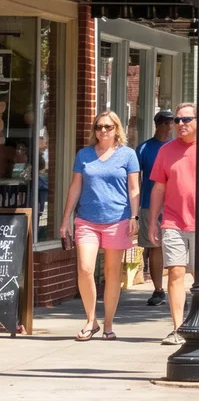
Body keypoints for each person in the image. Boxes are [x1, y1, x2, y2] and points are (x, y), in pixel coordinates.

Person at [148, 103, 199, 346]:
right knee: (175, 272)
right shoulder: (166, 151)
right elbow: (159, 187)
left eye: (186, 119)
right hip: (173, 221)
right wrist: (153, 221)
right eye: (177, 120)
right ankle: (178, 328)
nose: (180, 124)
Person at [60, 111, 141, 340]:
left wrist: (134, 217)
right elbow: (75, 187)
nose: (102, 131)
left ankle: (108, 323)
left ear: (116, 129)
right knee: (85, 268)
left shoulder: (128, 155)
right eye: (98, 127)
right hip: (86, 219)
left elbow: (134, 189)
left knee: (112, 272)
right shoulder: (84, 155)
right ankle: (90, 320)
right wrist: (66, 219)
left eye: (107, 126)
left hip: (118, 220)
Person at [135, 110, 175, 306]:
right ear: (158, 124)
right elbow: (134, 180)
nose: (171, 127)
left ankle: (180, 289)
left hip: (175, 204)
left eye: (173, 123)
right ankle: (159, 290)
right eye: (168, 123)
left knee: (179, 246)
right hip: (149, 204)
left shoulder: (177, 147)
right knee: (154, 247)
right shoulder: (144, 149)